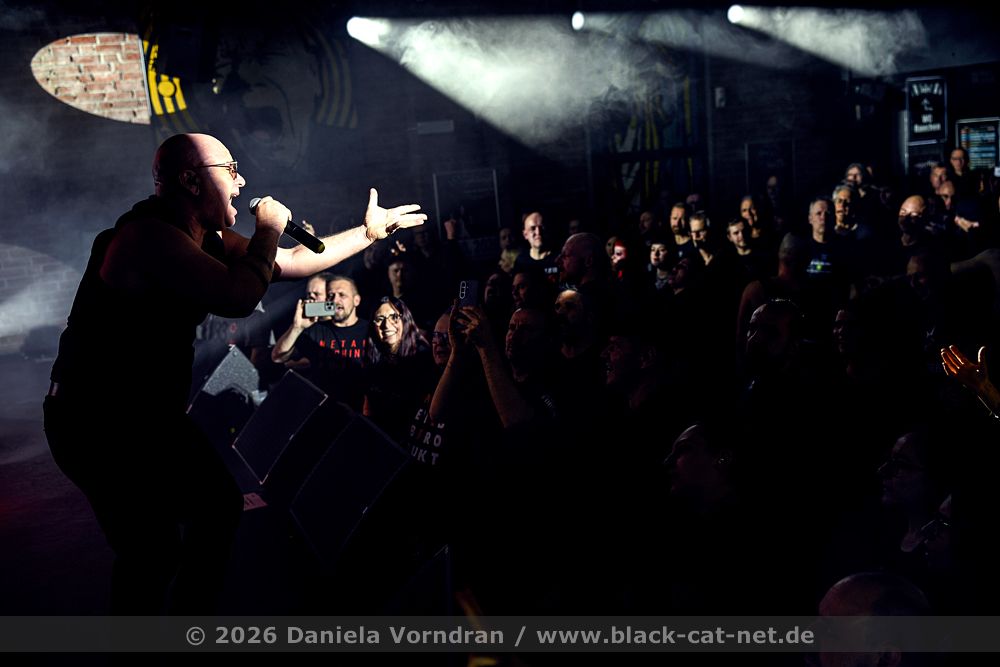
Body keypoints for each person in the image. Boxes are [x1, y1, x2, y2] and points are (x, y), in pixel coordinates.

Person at [43, 132, 426, 614]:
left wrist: (367, 234)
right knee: (151, 549)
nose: (241, 182)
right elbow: (239, 295)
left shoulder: (205, 237)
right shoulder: (146, 237)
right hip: (96, 422)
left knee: (212, 511)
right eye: (230, 170)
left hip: (146, 418)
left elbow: (291, 261)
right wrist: (269, 226)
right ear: (190, 180)